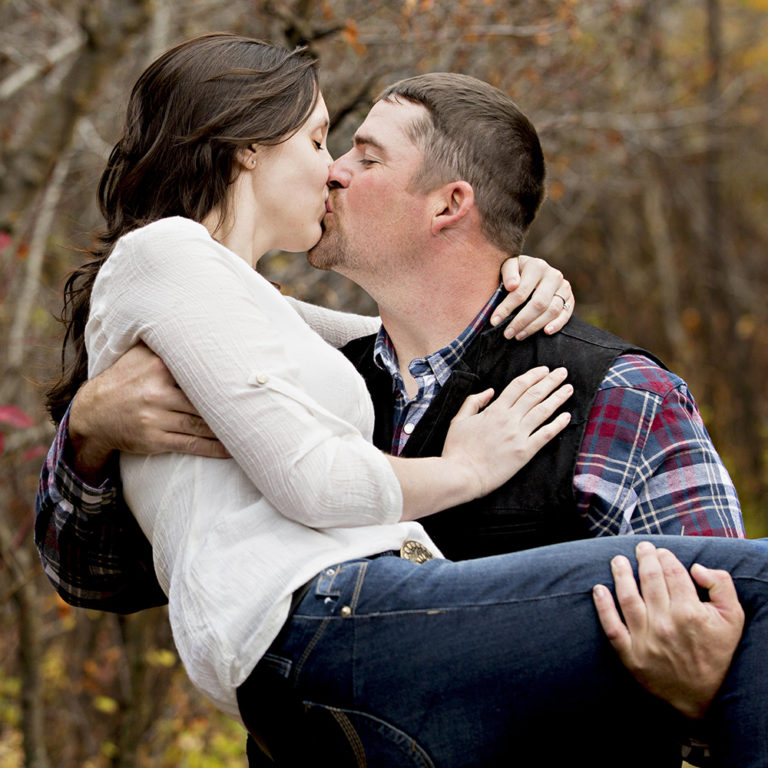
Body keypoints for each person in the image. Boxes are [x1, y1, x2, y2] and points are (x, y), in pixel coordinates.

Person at [36, 33, 767, 767]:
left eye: (365, 155)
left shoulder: (621, 398)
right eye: (328, 144)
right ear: (246, 150)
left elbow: (721, 640)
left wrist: (700, 702)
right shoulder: (306, 376)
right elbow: (96, 575)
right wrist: (89, 431)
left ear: (451, 205)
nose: (335, 174)